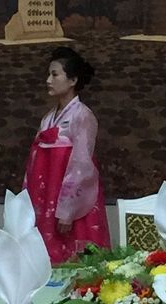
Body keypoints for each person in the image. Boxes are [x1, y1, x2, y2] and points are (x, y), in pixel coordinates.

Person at [23, 45, 110, 264]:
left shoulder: (82, 116)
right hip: (45, 198)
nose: (48, 80)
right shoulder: (47, 119)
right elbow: (33, 163)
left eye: (55, 75)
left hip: (69, 203)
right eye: (48, 75)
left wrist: (68, 210)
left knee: (75, 260)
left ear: (72, 80)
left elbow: (81, 166)